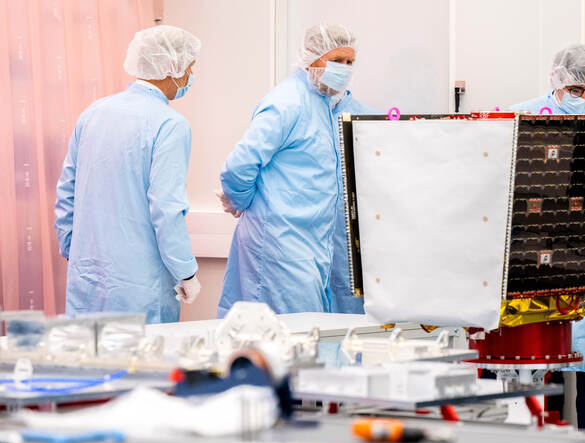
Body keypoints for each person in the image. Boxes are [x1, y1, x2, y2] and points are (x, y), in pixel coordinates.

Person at [216, 23, 375, 318]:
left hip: (306, 242)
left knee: (307, 337)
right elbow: (238, 167)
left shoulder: (322, 105)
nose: (343, 69)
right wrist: (241, 201)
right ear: (311, 58)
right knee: (288, 341)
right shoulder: (287, 102)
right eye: (336, 60)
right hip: (280, 242)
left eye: (349, 62)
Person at [510, 43, 585, 431]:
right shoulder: (524, 116)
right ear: (556, 81)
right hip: (538, 262)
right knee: (542, 372)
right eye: (577, 91)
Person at [54, 25, 202, 324]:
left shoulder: (94, 112)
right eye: (189, 68)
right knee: (141, 368)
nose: (190, 77)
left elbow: (67, 190)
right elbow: (166, 208)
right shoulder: (170, 125)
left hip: (87, 280)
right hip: (139, 286)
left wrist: (74, 248)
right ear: (172, 68)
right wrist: (185, 271)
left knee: (91, 364)